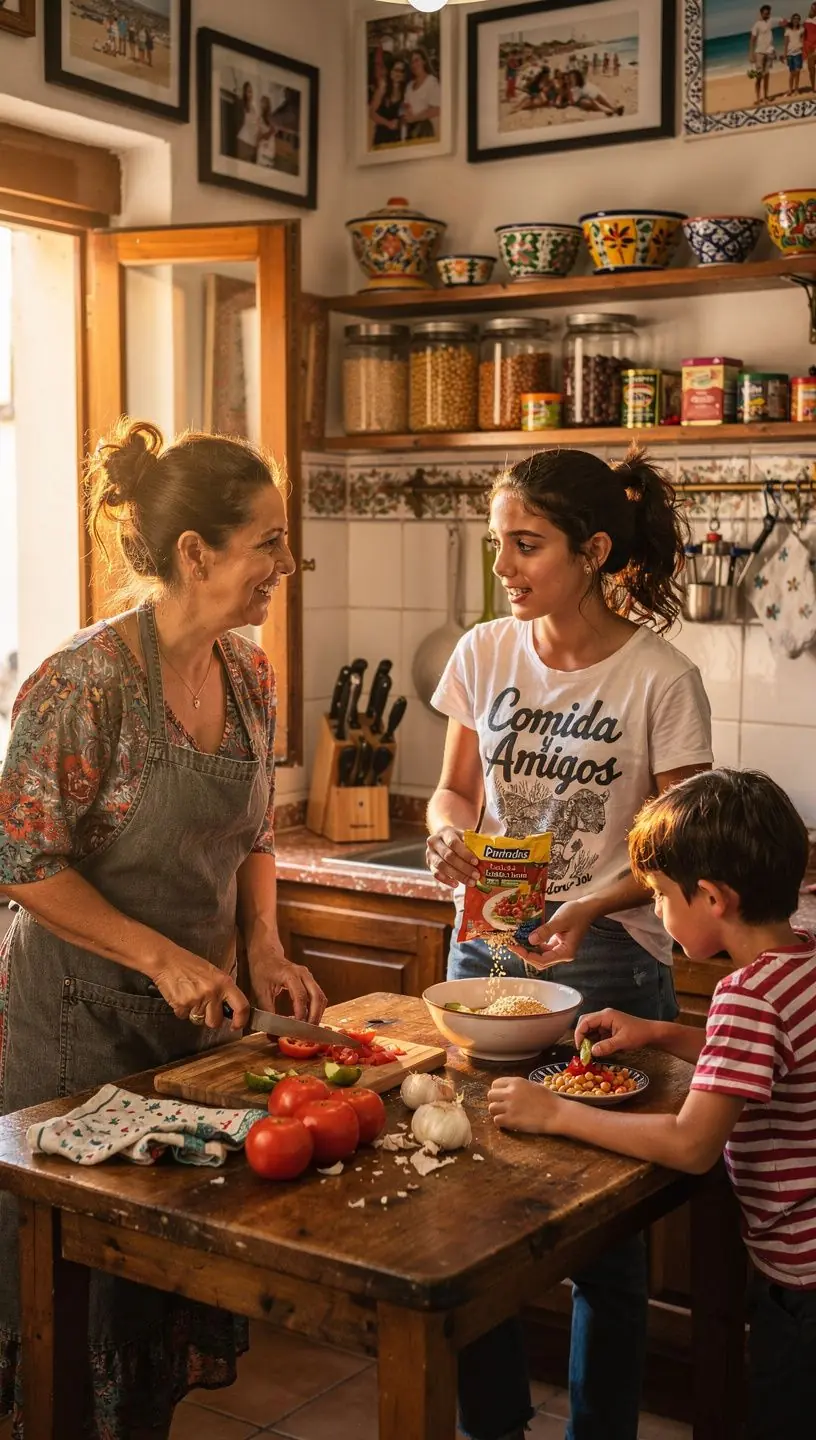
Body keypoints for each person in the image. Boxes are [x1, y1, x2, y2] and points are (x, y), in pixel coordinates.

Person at [0, 419, 327, 1439]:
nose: (286, 564)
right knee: (72, 1306)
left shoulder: (250, 675)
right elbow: (22, 861)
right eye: (268, 541)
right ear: (197, 552)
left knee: (156, 1290)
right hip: (72, 1032)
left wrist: (264, 946)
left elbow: (254, 833)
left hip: (189, 1038)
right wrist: (164, 958)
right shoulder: (85, 680)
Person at [426, 445, 713, 1440]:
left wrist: (589, 904)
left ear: (592, 550)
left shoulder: (660, 678)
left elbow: (681, 846)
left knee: (604, 1241)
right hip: (486, 954)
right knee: (473, 1207)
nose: (502, 565)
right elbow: (454, 790)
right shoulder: (482, 653)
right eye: (497, 541)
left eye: (526, 544)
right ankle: (494, 1425)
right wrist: (446, 832)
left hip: (609, 965)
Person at [488, 767, 816, 1437]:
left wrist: (555, 1112)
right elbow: (765, 1061)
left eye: (663, 895)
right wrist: (660, 1033)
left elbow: (692, 1145)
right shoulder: (799, 965)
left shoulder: (746, 997)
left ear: (713, 898)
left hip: (802, 1284)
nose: (659, 910)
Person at [402, 47, 441, 140]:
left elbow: (436, 109)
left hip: (425, 130)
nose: (414, 65)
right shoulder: (409, 86)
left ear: (424, 61)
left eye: (417, 60)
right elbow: (406, 105)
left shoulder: (431, 82)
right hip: (410, 129)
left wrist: (415, 118)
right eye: (412, 62)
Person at [369, 55, 409, 148]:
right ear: (390, 71)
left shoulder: (405, 91)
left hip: (397, 137)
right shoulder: (383, 88)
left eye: (401, 71)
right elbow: (372, 113)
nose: (398, 74)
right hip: (382, 136)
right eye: (396, 70)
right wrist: (388, 123)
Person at [750, 7, 784, 103]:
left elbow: (782, 20)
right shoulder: (757, 24)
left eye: (768, 13)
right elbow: (752, 40)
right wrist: (751, 54)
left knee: (766, 75)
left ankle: (766, 96)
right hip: (759, 52)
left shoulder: (771, 21)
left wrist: (786, 23)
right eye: (765, 13)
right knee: (759, 76)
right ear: (761, 13)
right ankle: (758, 98)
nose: (767, 15)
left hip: (769, 51)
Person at [236, 81, 259, 162]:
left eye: (251, 92)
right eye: (248, 92)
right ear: (245, 93)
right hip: (244, 140)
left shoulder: (253, 107)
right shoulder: (242, 105)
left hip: (252, 143)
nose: (250, 94)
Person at [257, 95, 278, 168]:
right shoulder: (260, 119)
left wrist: (266, 135)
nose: (262, 106)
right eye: (262, 103)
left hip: (270, 148)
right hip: (263, 148)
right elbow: (260, 135)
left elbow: (272, 132)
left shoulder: (272, 119)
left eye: (264, 103)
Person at [804, 2, 816, 90]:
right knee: (811, 69)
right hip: (809, 48)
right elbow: (804, 35)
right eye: (812, 8)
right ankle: (813, 88)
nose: (814, 9)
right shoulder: (807, 20)